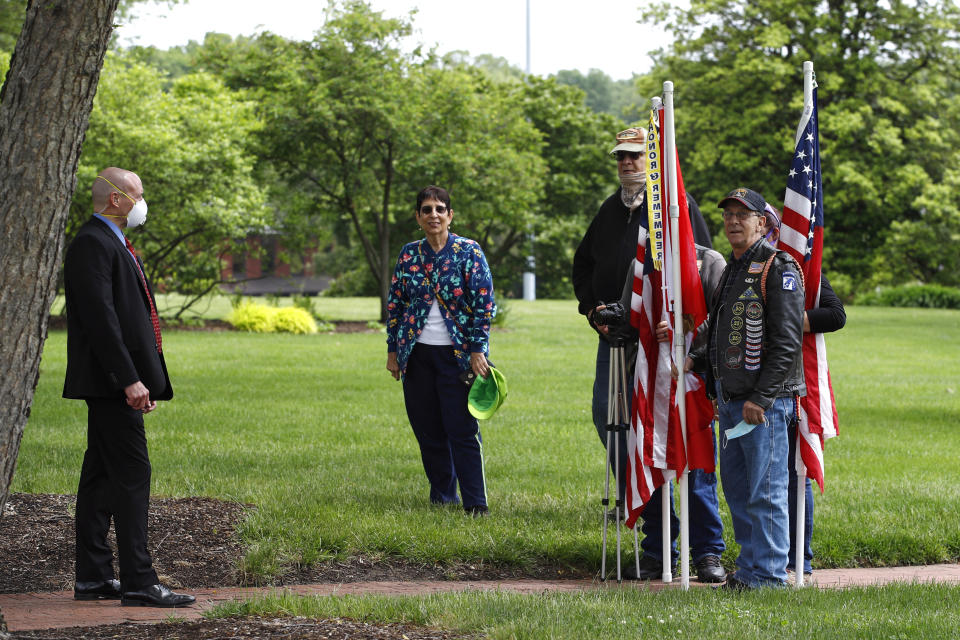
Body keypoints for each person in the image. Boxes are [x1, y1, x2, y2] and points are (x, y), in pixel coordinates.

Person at [572, 126, 713, 580]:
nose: (628, 163)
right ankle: (652, 518)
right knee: (610, 422)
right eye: (621, 157)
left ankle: (705, 547)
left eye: (636, 156)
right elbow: (584, 263)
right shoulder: (610, 209)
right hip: (614, 339)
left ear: (651, 160)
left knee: (682, 435)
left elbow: (701, 264)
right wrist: (591, 308)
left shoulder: (673, 205)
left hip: (666, 341)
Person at [63, 168, 195, 607]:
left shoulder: (113, 243)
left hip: (116, 383)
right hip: (109, 384)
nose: (143, 202)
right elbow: (102, 321)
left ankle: (93, 578)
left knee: (100, 478)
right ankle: (139, 580)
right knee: (133, 475)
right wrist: (129, 380)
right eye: (138, 194)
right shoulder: (91, 244)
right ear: (116, 199)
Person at [687, 187, 806, 590]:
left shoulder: (780, 266)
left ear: (762, 222)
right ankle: (752, 570)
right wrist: (696, 359)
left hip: (764, 404)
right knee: (738, 491)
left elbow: (788, 341)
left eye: (743, 214)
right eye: (728, 215)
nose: (733, 221)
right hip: (731, 400)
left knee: (766, 491)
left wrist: (763, 396)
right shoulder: (734, 269)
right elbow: (722, 331)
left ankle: (769, 576)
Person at [386, 185, 495, 517]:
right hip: (417, 355)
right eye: (426, 209)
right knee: (428, 429)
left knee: (461, 430)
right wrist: (393, 351)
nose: (433, 215)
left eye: (439, 209)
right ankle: (443, 498)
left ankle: (476, 503)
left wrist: (478, 350)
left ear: (450, 215)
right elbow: (396, 304)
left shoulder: (469, 252)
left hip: (458, 356)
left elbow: (484, 305)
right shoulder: (409, 254)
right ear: (418, 217)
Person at [763, 204, 846, 577]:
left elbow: (835, 314)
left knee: (797, 471)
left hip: (794, 384)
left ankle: (800, 558)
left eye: (769, 228)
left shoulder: (798, 268)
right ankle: (768, 556)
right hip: (754, 385)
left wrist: (785, 319)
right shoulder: (742, 268)